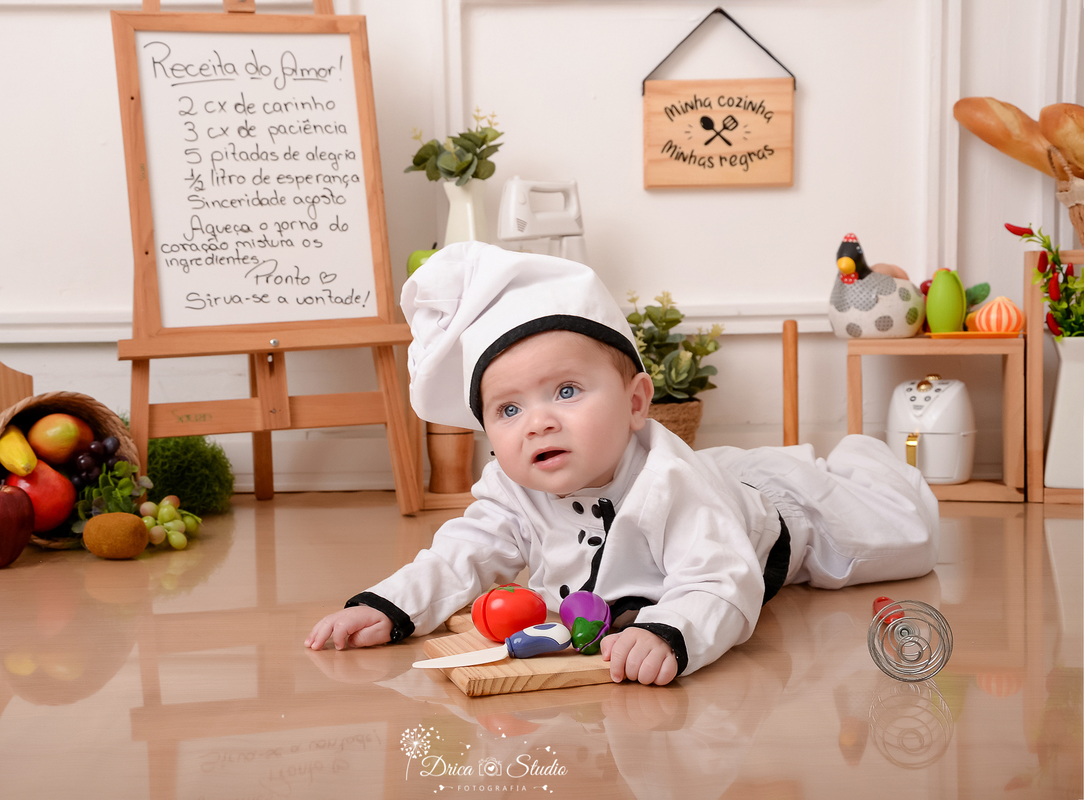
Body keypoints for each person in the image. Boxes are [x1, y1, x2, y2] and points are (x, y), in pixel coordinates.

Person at [305, 242, 939, 685]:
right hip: (714, 478)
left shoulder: (671, 482)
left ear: (637, 402)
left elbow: (722, 579)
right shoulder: (510, 488)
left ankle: (865, 459)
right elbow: (458, 557)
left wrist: (671, 633)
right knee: (730, 471)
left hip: (780, 522)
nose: (539, 422)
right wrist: (387, 608)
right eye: (507, 410)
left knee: (901, 532)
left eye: (567, 392)